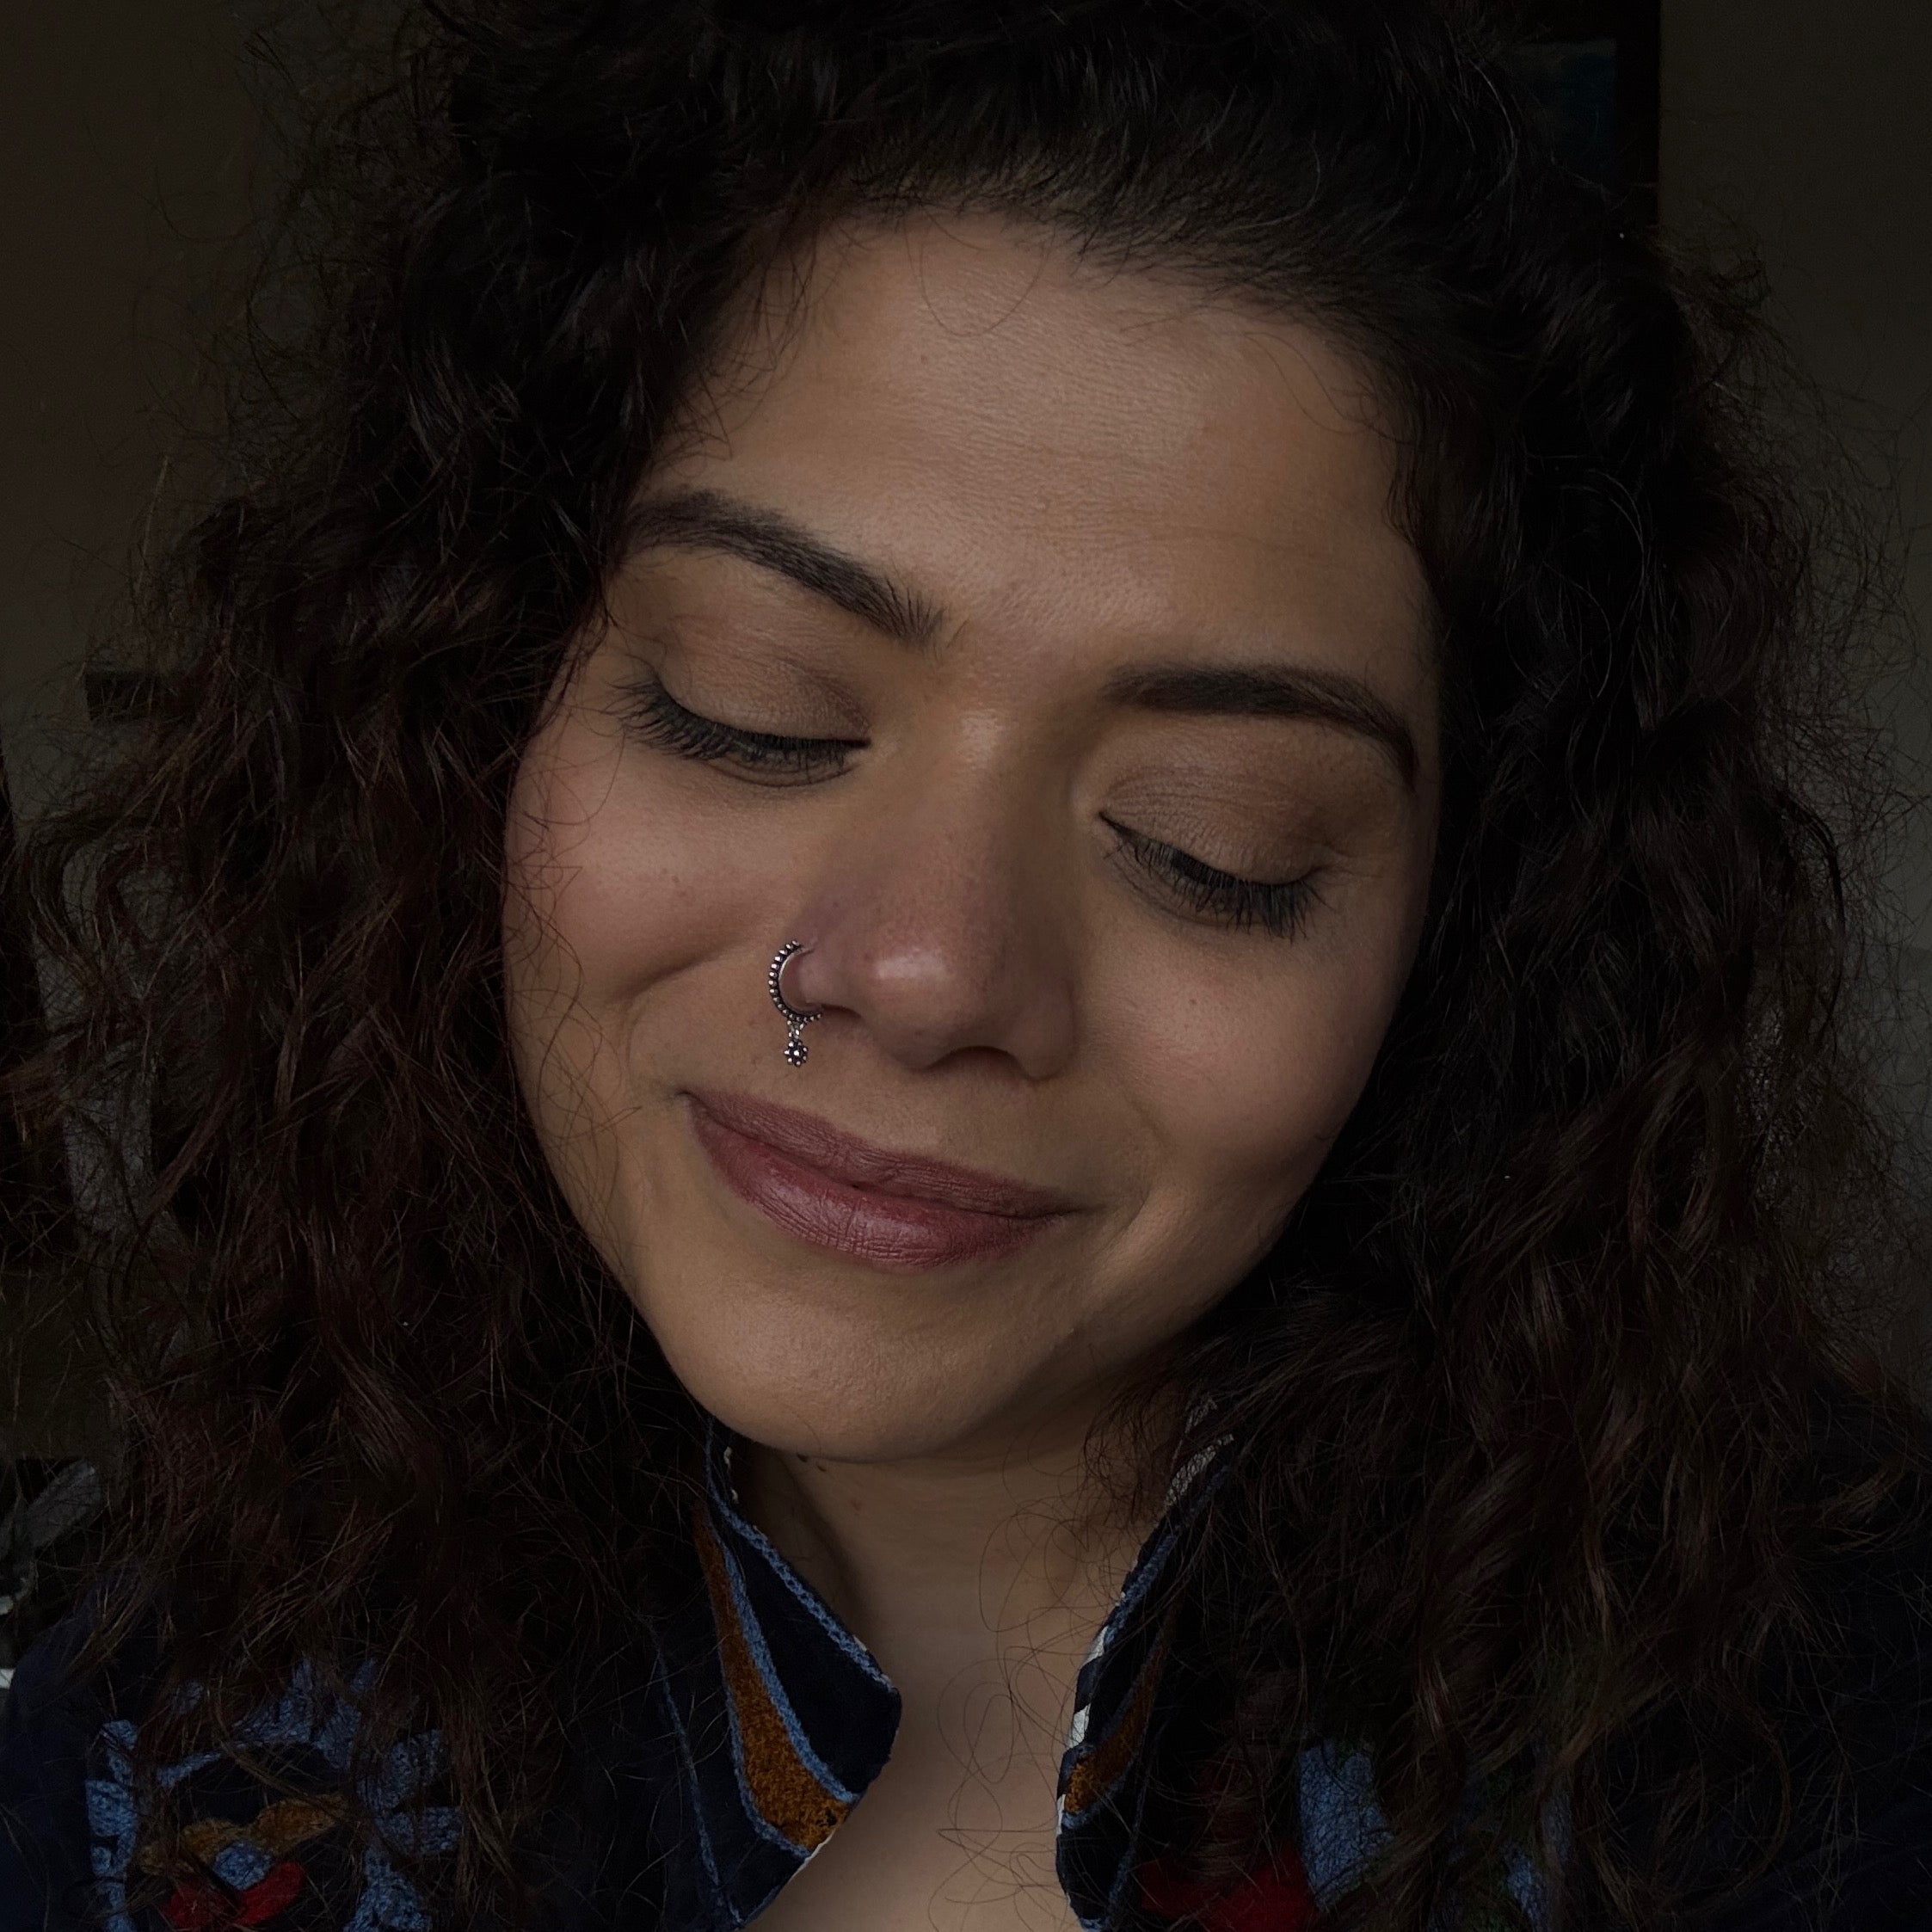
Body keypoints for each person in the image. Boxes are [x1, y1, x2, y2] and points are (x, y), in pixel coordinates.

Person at [3, 1, 1930, 1927]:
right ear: (485, 716)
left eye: (1211, 841)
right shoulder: (154, 1751)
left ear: (1464, 929)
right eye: (750, 710)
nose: (926, 971)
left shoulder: (1829, 1755)